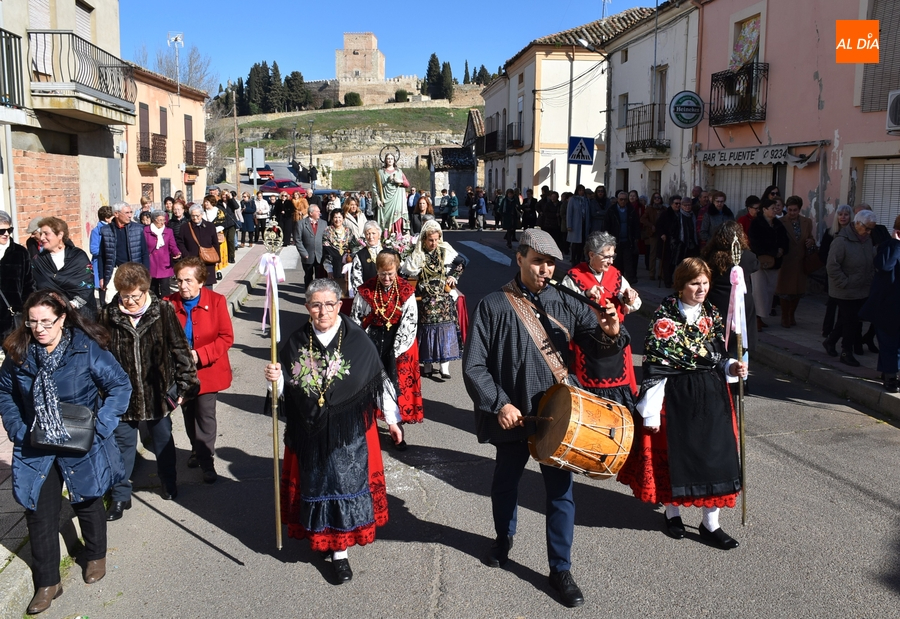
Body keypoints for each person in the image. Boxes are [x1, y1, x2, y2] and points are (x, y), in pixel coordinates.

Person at [462, 229, 625, 608]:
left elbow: (595, 342)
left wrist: (610, 333)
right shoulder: (493, 305)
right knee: (505, 484)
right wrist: (499, 403)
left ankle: (561, 569)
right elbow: (474, 366)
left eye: (550, 263)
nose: (545, 269)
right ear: (519, 259)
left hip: (557, 415)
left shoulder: (565, 301)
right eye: (538, 261)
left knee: (561, 494)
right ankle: (503, 539)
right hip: (514, 416)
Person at [0, 290, 131, 615]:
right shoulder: (18, 353)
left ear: (62, 319)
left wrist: (100, 425)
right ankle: (47, 582)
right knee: (37, 511)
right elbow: (4, 392)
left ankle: (95, 554)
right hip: (35, 444)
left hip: (80, 440)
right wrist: (17, 428)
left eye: (46, 322)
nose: (39, 329)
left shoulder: (84, 349)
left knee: (86, 500)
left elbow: (119, 386)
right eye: (32, 323)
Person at [263, 278, 401, 583]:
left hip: (347, 431)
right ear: (307, 307)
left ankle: (340, 554)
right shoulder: (296, 339)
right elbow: (284, 387)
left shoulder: (356, 338)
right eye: (316, 304)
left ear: (339, 305)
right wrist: (275, 378)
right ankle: (320, 537)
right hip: (309, 427)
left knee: (341, 485)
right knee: (316, 484)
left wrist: (391, 419)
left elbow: (377, 380)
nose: (323, 311)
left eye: (329, 304)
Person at [617, 257, 747, 550]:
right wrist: (650, 411)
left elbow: (719, 356)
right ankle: (672, 513)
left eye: (704, 282)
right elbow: (655, 362)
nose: (701, 289)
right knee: (673, 458)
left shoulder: (712, 314)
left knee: (715, 458)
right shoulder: (664, 316)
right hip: (673, 396)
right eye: (694, 283)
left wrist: (732, 367)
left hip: (711, 395)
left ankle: (710, 523)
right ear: (681, 285)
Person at [101, 263, 198, 519]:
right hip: (123, 398)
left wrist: (185, 385)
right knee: (122, 448)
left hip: (158, 391)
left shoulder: (162, 310)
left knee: (163, 440)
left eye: (135, 295)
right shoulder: (108, 315)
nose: (130, 301)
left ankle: (168, 482)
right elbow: (99, 358)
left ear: (145, 290)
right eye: (125, 295)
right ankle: (120, 496)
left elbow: (180, 349)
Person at [168, 257, 234, 483]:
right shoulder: (169, 302)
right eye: (179, 281)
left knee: (205, 415)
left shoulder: (216, 301)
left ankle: (207, 461)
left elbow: (226, 337)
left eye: (188, 280)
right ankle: (195, 450)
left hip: (208, 370)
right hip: (181, 373)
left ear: (201, 281)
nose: (183, 286)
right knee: (188, 414)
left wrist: (199, 355)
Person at [351, 250, 423, 447]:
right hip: (371, 340)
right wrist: (362, 345)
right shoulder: (366, 290)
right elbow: (356, 318)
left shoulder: (405, 290)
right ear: (377, 270)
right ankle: (366, 427)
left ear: (397, 269)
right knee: (367, 385)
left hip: (396, 343)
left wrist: (396, 350)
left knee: (394, 385)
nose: (387, 278)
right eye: (383, 273)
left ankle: (398, 430)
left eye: (390, 273)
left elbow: (410, 322)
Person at [561, 231, 640, 406]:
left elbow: (635, 304)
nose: (611, 261)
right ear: (591, 254)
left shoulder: (616, 275)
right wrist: (585, 294)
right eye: (607, 256)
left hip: (616, 345)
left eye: (613, 256)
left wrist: (629, 298)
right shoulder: (574, 276)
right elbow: (563, 306)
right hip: (588, 347)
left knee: (619, 394)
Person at [402, 220, 465, 379]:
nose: (434, 243)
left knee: (445, 328)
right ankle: (428, 364)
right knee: (426, 330)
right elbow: (405, 273)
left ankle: (445, 366)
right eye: (431, 240)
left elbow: (463, 262)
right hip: (425, 299)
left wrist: (453, 277)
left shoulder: (444, 250)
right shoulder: (417, 255)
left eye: (436, 239)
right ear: (424, 239)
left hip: (443, 299)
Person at [824, 210, 877, 367]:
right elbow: (832, 266)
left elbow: (871, 259)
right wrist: (844, 282)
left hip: (862, 288)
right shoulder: (841, 241)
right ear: (858, 224)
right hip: (844, 289)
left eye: (871, 229)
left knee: (848, 318)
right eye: (867, 228)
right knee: (851, 321)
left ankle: (830, 341)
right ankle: (846, 352)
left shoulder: (867, 240)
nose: (868, 232)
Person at [701, 220, 759, 358]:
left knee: (719, 338)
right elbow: (756, 266)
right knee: (741, 340)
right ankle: (741, 372)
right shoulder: (747, 256)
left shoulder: (709, 255)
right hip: (741, 303)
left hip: (717, 301)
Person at [860, 214, 900, 393]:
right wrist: (895, 243)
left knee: (891, 343)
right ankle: (890, 376)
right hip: (888, 305)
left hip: (892, 305)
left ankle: (890, 375)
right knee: (889, 342)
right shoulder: (889, 247)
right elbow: (884, 266)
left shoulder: (892, 247)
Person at [32, 217, 97, 320]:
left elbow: (88, 286)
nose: (42, 238)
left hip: (81, 316)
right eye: (41, 234)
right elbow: (34, 288)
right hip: (51, 317)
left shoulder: (78, 257)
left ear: (60, 235)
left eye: (46, 233)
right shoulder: (38, 261)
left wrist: (70, 305)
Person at [748, 198, 789, 331]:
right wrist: (771, 251)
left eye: (776, 208)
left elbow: (785, 241)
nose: (775, 210)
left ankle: (762, 316)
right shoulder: (756, 224)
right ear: (765, 210)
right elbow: (754, 243)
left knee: (769, 291)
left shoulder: (778, 224)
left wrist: (782, 250)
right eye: (772, 208)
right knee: (759, 291)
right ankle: (756, 319)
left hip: (775, 263)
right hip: (760, 263)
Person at [775, 196, 815, 328]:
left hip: (800, 260)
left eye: (795, 210)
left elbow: (810, 237)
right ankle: (784, 315)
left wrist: (810, 241)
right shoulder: (780, 222)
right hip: (786, 260)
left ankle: (792, 314)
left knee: (798, 290)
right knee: (784, 290)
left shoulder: (807, 222)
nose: (792, 213)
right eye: (790, 210)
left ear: (799, 209)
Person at [99, 203, 149, 306]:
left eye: (131, 212)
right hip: (114, 270)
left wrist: (146, 274)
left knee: (134, 300)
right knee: (111, 302)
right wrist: (101, 277)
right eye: (126, 213)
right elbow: (102, 256)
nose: (130, 215)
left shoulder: (138, 229)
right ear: (116, 214)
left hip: (134, 270)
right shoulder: (106, 230)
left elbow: (144, 253)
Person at [819, 204, 853, 338]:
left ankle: (840, 331)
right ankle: (827, 330)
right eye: (840, 214)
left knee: (844, 306)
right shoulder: (830, 233)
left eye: (846, 214)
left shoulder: (853, 234)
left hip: (848, 274)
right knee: (831, 303)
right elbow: (823, 253)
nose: (843, 217)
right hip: (833, 274)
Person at [0, 211, 35, 337]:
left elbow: (29, 284)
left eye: (9, 230)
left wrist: (26, 310)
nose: (6, 234)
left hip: (12, 318)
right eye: (1, 231)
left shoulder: (20, 253)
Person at [177, 203, 220, 287]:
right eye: (193, 216)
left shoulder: (210, 226)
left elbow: (215, 243)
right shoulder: (185, 227)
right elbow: (180, 242)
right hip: (192, 261)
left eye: (197, 215)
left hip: (208, 260)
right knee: (193, 284)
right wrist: (186, 255)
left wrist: (217, 259)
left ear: (202, 214)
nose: (195, 218)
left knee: (207, 286)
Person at [605, 190, 641, 282]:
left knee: (628, 260)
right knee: (617, 261)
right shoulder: (611, 210)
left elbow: (636, 224)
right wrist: (607, 238)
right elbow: (606, 225)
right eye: (621, 199)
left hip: (628, 239)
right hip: (615, 239)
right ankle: (617, 278)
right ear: (617, 199)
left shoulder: (631, 210)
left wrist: (636, 237)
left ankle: (630, 279)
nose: (623, 201)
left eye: (625, 199)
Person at [145, 210, 181, 298]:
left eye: (163, 220)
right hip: (151, 262)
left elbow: (172, 245)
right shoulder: (146, 231)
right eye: (160, 220)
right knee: (153, 287)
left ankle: (166, 305)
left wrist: (177, 252)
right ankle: (155, 306)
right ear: (154, 220)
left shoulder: (168, 231)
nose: (162, 222)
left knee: (165, 287)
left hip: (164, 263)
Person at [373, 152, 410, 234]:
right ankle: (385, 239)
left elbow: (407, 184)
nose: (390, 160)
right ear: (385, 160)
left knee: (396, 219)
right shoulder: (380, 172)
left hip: (397, 200)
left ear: (394, 160)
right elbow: (374, 187)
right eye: (388, 158)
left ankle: (397, 239)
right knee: (384, 222)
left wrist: (399, 181)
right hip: (384, 201)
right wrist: (377, 199)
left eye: (391, 159)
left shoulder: (399, 172)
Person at [322, 209, 355, 295]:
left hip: (346, 264)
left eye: (340, 217)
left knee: (347, 288)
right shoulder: (328, 231)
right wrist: (329, 269)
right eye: (335, 217)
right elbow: (326, 250)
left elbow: (353, 246)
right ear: (332, 219)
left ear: (343, 218)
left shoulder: (348, 231)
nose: (337, 220)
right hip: (333, 265)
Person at [296, 204, 326, 289]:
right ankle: (309, 294)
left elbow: (326, 239)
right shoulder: (301, 223)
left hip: (320, 255)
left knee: (320, 277)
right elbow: (298, 240)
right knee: (308, 276)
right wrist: (303, 252)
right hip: (307, 255)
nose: (319, 213)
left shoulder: (323, 223)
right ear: (311, 213)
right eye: (317, 211)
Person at [350, 221, 383, 294]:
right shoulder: (360, 255)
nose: (371, 237)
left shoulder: (388, 252)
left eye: (373, 233)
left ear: (379, 234)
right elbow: (356, 280)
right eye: (368, 234)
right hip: (368, 295)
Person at [89, 206, 113, 301]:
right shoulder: (96, 231)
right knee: (103, 288)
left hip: (111, 262)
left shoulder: (113, 228)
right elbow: (93, 249)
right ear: (107, 219)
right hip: (100, 263)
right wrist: (107, 251)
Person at [641, 193, 665, 281]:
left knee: (662, 254)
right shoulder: (649, 209)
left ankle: (661, 273)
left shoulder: (664, 209)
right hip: (653, 233)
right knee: (653, 254)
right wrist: (651, 225)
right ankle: (652, 273)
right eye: (655, 198)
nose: (657, 199)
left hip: (662, 233)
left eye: (659, 197)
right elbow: (643, 219)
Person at [566, 185, 591, 262]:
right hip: (575, 224)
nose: (581, 192)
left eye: (582, 190)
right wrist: (569, 225)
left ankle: (580, 258)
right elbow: (569, 213)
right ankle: (573, 259)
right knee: (575, 243)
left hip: (584, 224)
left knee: (583, 242)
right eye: (580, 190)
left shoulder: (586, 200)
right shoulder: (573, 200)